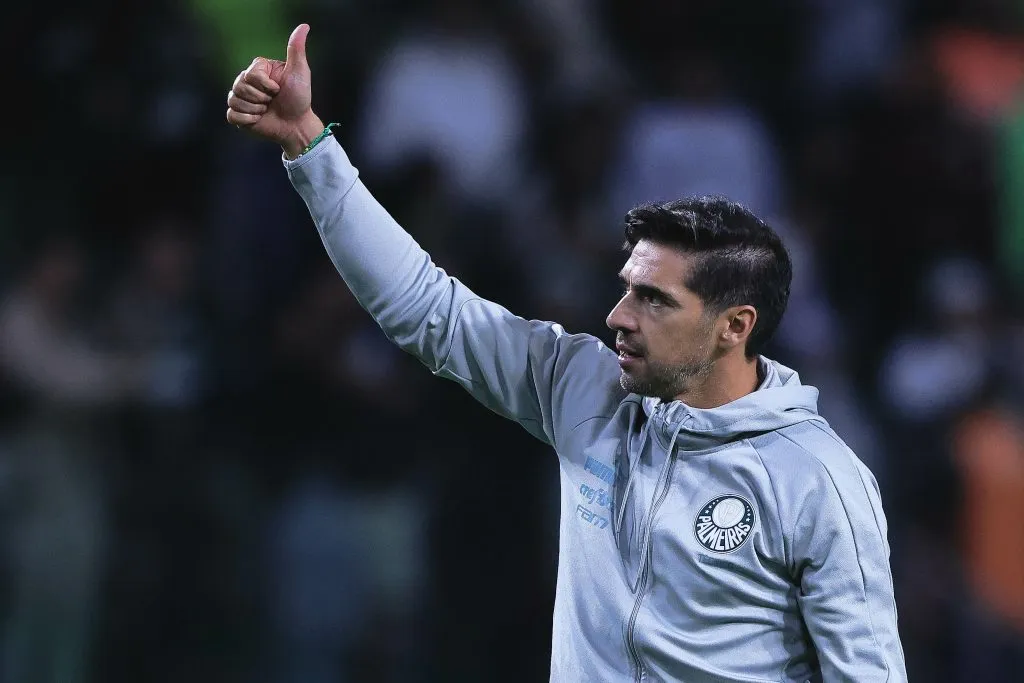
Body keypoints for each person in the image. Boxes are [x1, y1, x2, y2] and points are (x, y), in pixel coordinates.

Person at [226, 24, 908, 683]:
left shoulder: (818, 482)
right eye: (627, 290)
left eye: (655, 300)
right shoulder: (583, 387)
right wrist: (308, 146)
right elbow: (423, 305)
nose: (617, 316)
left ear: (735, 325)